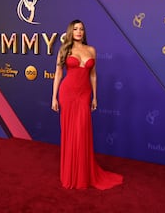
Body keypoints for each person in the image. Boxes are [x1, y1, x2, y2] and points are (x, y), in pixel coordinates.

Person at [51, 19, 123, 190]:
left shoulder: (91, 50)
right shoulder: (64, 49)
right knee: (70, 133)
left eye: (81, 29)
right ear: (70, 31)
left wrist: (94, 97)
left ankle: (82, 174)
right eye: (75, 29)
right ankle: (70, 174)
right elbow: (58, 74)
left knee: (82, 132)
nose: (78, 31)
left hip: (84, 95)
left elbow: (93, 75)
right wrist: (54, 97)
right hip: (67, 94)